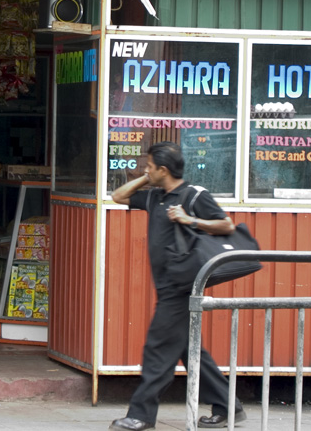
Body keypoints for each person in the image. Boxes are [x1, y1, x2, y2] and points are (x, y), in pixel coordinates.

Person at [109, 141, 246, 431]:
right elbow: (117, 196)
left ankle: (142, 415)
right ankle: (228, 406)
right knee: (190, 350)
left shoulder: (194, 195)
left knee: (158, 350)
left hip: (182, 286)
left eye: (149, 166)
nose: (145, 170)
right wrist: (147, 178)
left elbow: (227, 225)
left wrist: (190, 220)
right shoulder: (155, 197)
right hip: (166, 286)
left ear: (164, 169)